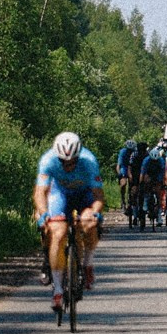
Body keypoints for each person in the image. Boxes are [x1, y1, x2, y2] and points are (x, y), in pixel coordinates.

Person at [34, 130, 105, 313]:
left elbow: (98, 196)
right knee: (57, 231)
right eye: (63, 162)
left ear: (78, 155)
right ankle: (57, 290)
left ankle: (87, 263)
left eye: (72, 162)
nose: (67, 166)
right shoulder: (48, 160)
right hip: (60, 194)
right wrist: (43, 214)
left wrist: (95, 212)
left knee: (89, 224)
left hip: (85, 195)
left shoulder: (89, 161)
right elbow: (40, 192)